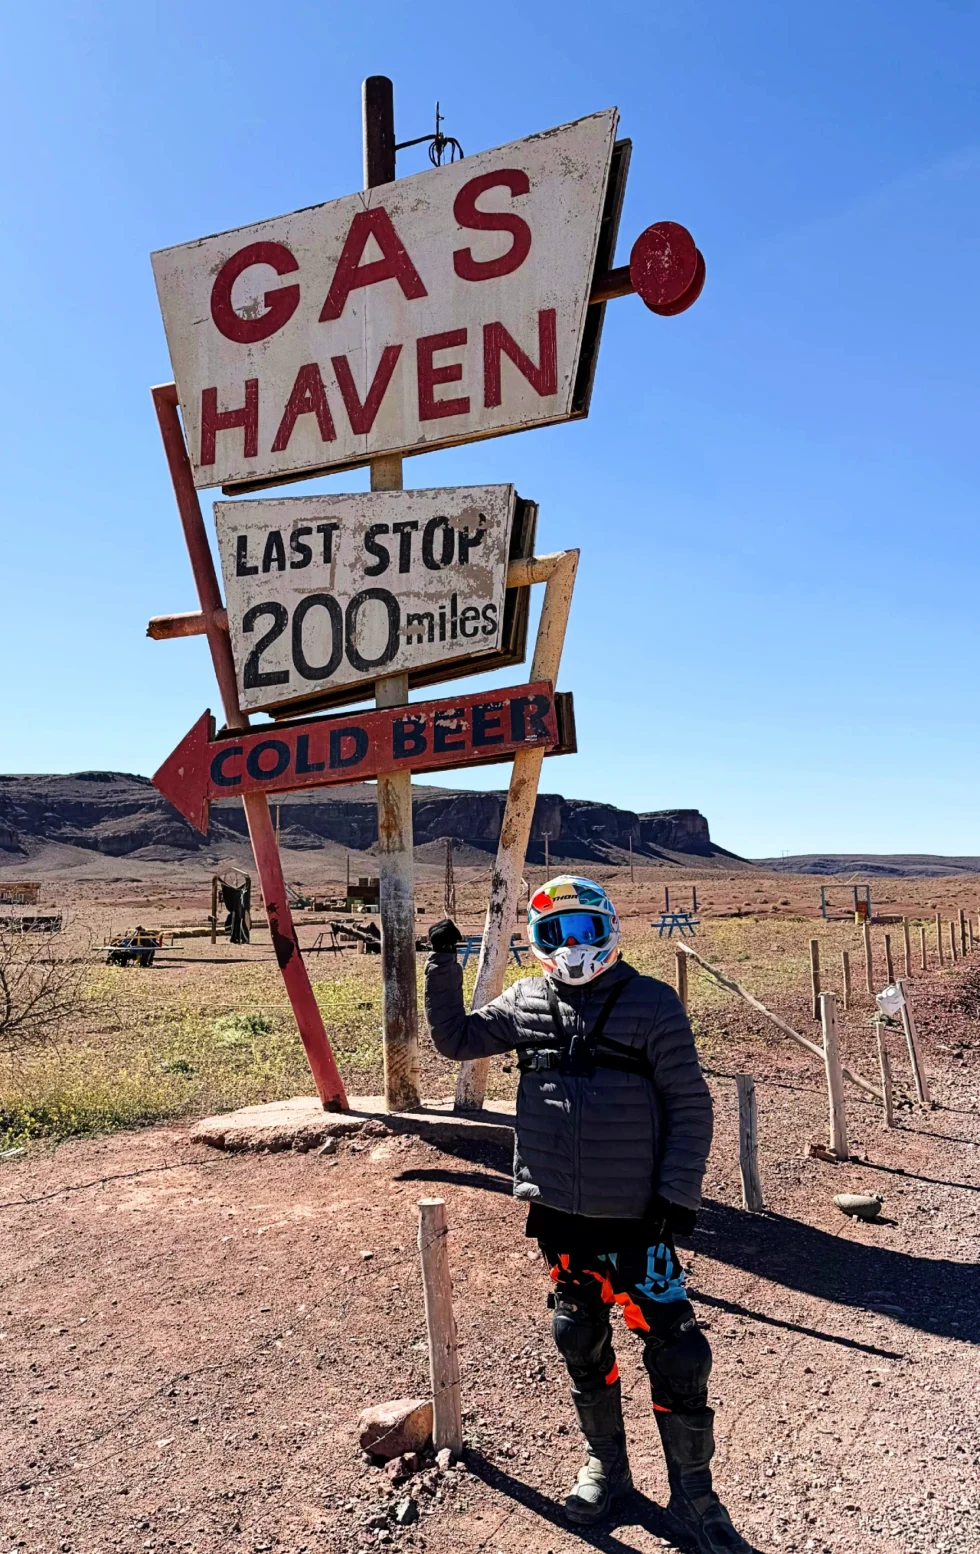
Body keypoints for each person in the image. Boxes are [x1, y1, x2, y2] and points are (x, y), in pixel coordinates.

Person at [424, 875, 751, 1552]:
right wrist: (443, 963)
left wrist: (677, 1196)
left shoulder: (652, 1003)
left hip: (639, 1217)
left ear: (608, 930)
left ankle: (695, 1496)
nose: (572, 945)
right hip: (560, 1216)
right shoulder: (526, 1000)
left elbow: (690, 1103)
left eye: (584, 930)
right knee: (578, 1336)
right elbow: (455, 1039)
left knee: (679, 1353)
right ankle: (607, 1469)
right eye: (557, 932)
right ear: (538, 940)